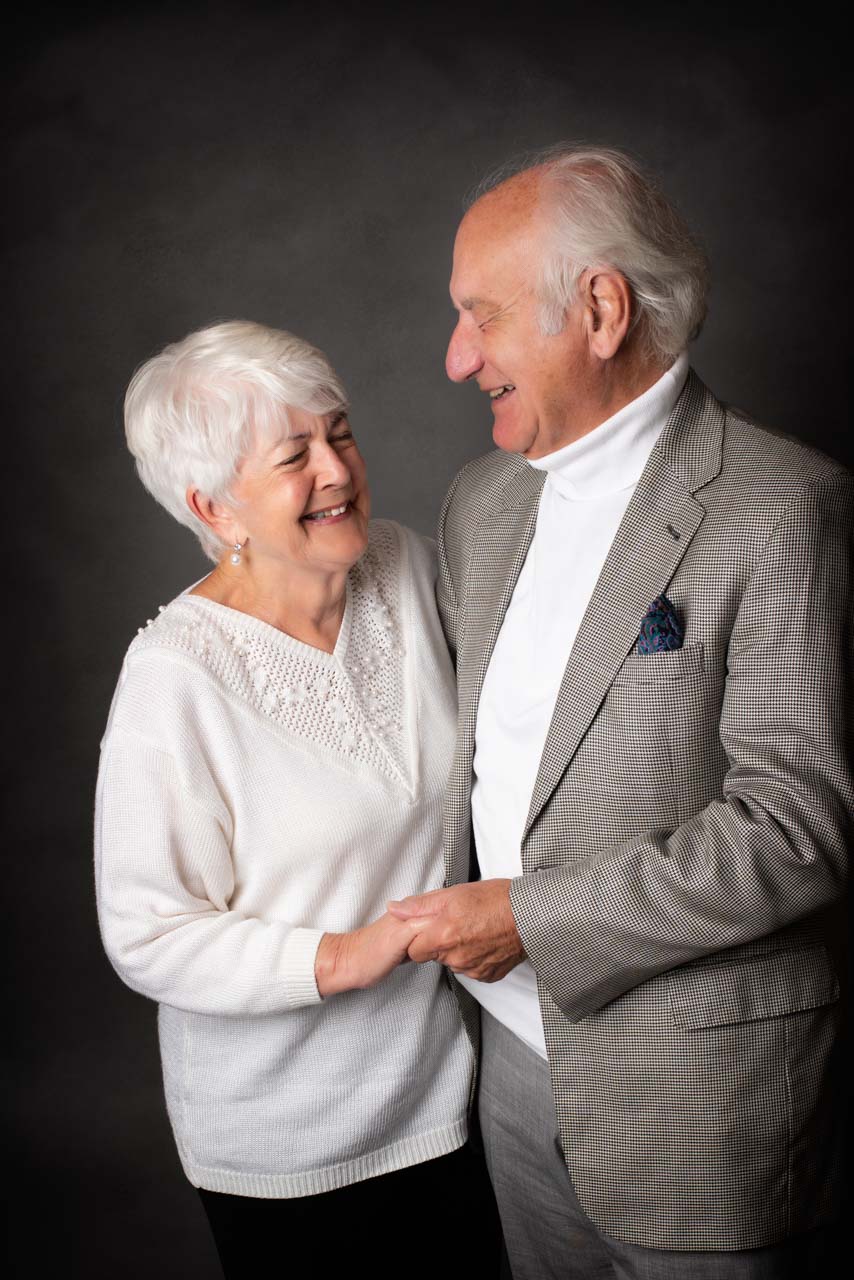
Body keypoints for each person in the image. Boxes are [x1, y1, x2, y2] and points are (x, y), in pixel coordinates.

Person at [389, 145, 851, 1278]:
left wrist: (532, 920)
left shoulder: (787, 506)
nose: (456, 359)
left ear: (598, 308)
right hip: (506, 1074)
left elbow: (796, 827)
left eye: (479, 318)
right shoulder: (480, 503)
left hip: (699, 1102)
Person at [94, 320, 497, 1279]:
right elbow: (145, 932)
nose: (337, 468)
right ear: (214, 508)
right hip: (286, 1145)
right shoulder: (173, 678)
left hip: (445, 1095)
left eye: (340, 431)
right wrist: (344, 957)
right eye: (293, 456)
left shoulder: (401, 567)